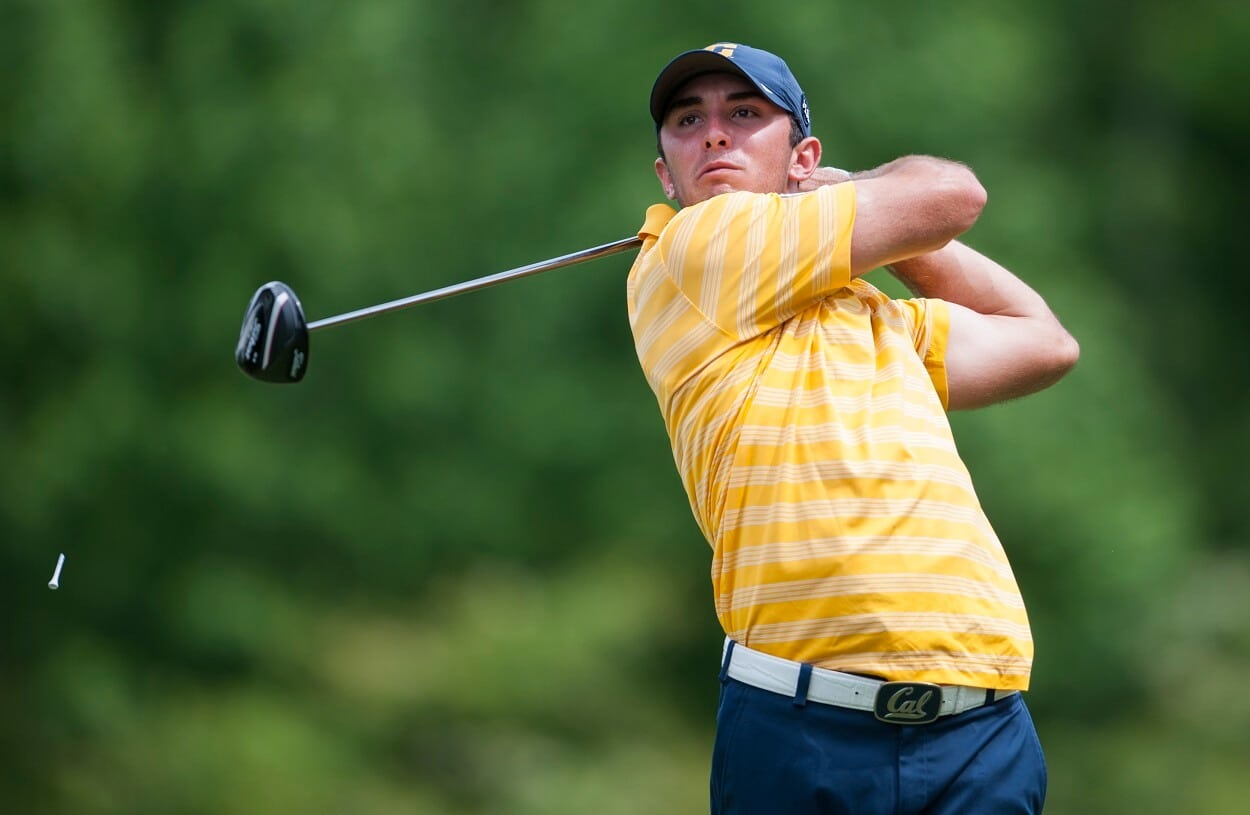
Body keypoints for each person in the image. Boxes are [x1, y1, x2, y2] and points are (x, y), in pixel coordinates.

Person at [626, 42, 1080, 815]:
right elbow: (951, 193)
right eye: (687, 120)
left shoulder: (872, 319)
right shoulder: (692, 251)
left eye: (744, 114)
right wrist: (852, 194)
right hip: (806, 730)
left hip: (981, 724)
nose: (713, 135)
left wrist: (873, 228)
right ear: (667, 176)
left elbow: (1043, 341)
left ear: (801, 157)